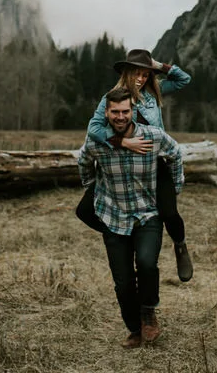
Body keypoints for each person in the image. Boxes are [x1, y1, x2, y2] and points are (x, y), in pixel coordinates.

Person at [77, 86, 184, 348]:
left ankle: (148, 313)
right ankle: (135, 330)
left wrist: (174, 188)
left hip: (147, 214)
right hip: (113, 217)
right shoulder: (97, 142)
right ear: (107, 112)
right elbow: (83, 162)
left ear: (132, 111)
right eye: (115, 112)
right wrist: (92, 188)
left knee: (147, 264)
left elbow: (175, 153)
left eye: (125, 111)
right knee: (123, 283)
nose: (120, 116)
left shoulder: (152, 136)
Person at [76, 49, 194, 282]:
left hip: (153, 163)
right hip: (119, 164)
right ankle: (127, 235)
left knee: (170, 213)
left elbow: (184, 79)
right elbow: (94, 129)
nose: (140, 79)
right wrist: (122, 142)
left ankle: (180, 246)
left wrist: (157, 65)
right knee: (84, 211)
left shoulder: (153, 92)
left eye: (145, 74)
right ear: (126, 73)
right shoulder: (113, 98)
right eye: (136, 74)